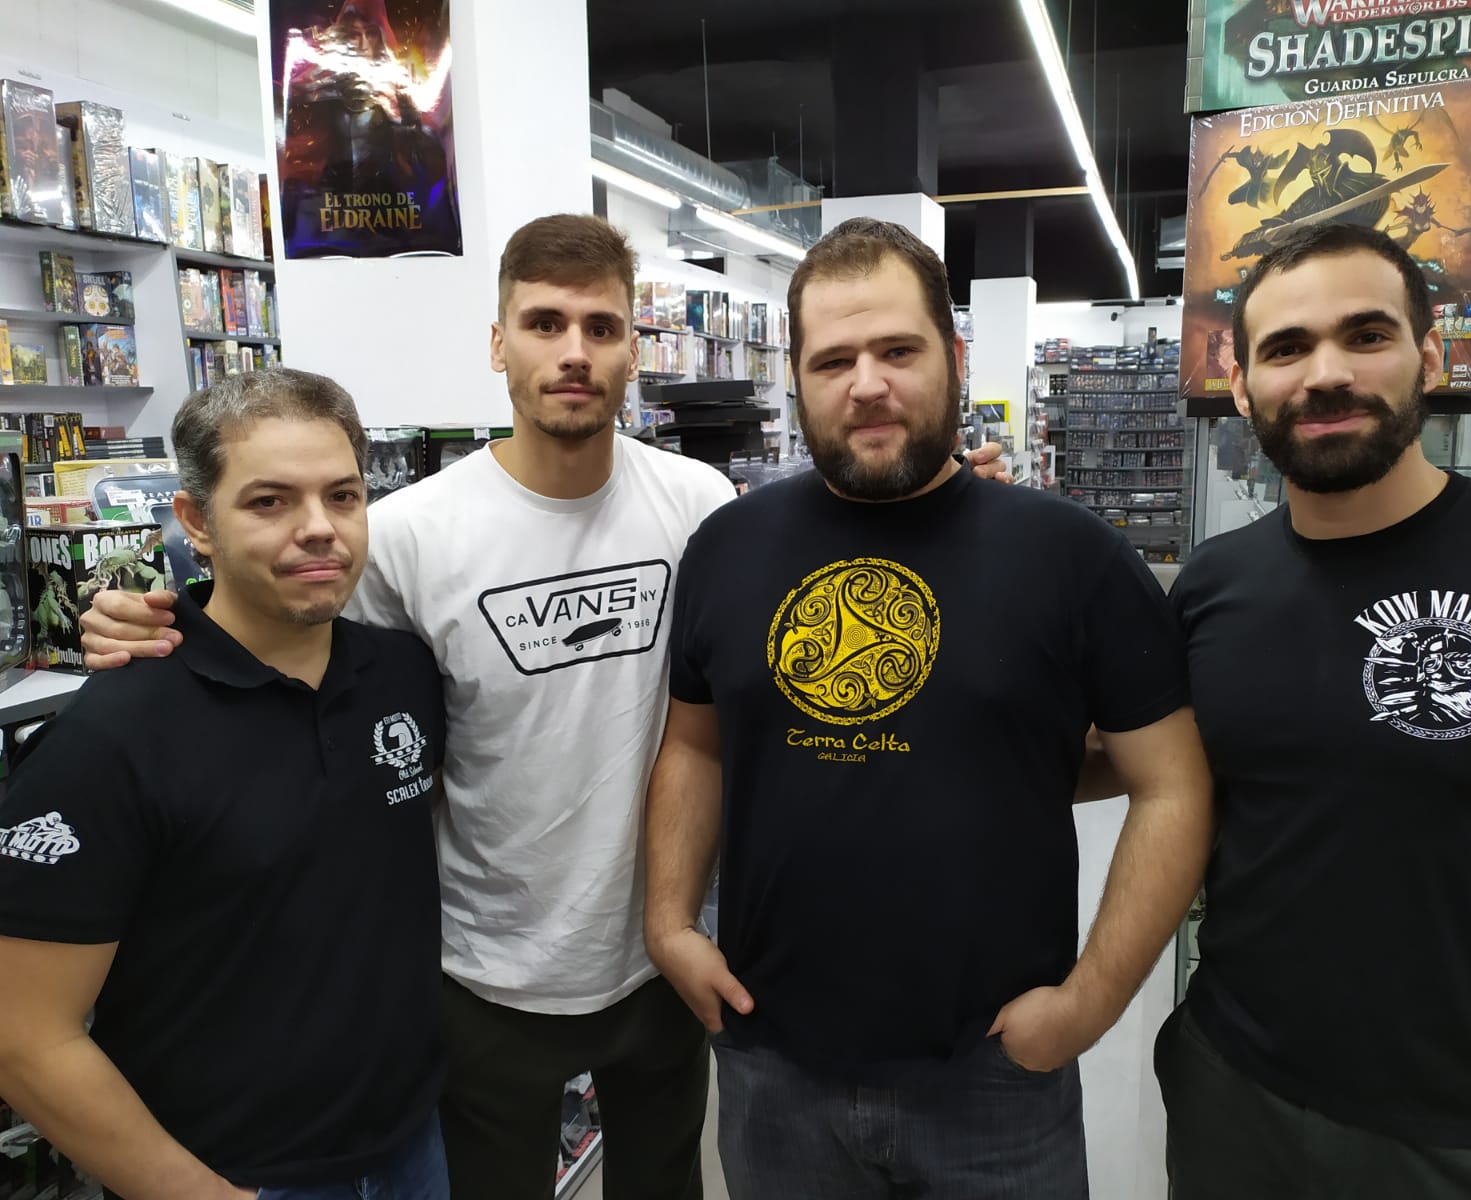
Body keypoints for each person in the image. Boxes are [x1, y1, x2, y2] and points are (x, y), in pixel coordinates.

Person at [81, 213, 1013, 1200]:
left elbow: (826, 552)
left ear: (633, 351)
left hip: (661, 961)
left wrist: (949, 499)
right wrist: (150, 619)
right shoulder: (404, 535)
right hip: (482, 973)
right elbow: (282, 635)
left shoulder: (698, 504)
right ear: (498, 344)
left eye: (601, 328)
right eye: (544, 324)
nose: (574, 352)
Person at [644, 216, 1215, 1197]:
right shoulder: (726, 548)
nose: (866, 383)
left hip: (992, 1073)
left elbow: (1173, 785)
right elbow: (695, 747)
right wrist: (667, 925)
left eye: (897, 351)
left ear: (952, 357)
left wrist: (1087, 1004)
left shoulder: (1070, 556)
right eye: (833, 360)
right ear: (798, 378)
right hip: (771, 1058)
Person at [1153, 222, 1471, 1199]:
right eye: (1285, 348)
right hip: (1236, 1089)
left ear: (1429, 357)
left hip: (1469, 1126)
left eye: (1365, 335)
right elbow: (1146, 773)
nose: (1325, 374)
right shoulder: (1214, 585)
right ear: (1241, 387)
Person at [0, 370, 448, 1199]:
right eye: (270, 501)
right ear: (197, 522)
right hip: (230, 1174)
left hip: (412, 1148)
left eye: (343, 496)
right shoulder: (112, 736)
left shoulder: (405, 672)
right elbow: (23, 1034)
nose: (319, 529)